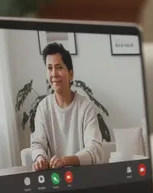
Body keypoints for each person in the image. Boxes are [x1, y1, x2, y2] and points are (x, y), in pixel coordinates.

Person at [29, 43, 105, 171]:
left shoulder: (86, 106)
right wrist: (40, 158)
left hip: (83, 175)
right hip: (56, 177)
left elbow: (95, 150)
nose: (54, 74)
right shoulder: (43, 107)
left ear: (71, 74)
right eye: (49, 68)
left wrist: (64, 161)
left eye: (59, 67)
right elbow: (37, 144)